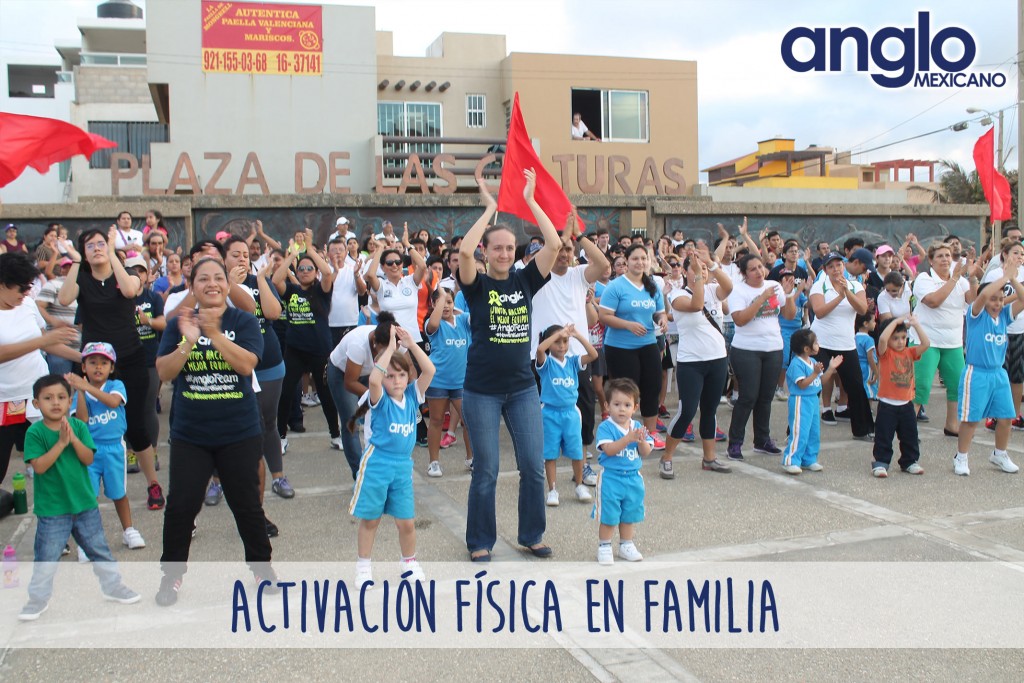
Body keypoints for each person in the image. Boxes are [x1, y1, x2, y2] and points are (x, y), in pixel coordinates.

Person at [154, 257, 275, 606]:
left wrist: (214, 334)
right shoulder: (180, 322)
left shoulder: (243, 320)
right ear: (192, 286)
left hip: (239, 430)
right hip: (192, 433)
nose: (211, 284)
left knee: (247, 504)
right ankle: (172, 577)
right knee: (180, 506)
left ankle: (262, 569)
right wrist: (188, 341)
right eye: (202, 279)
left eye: (218, 278)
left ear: (227, 284)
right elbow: (164, 372)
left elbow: (247, 363)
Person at [459, 171, 560, 562]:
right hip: (481, 390)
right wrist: (489, 208)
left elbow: (553, 243)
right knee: (486, 469)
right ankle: (480, 540)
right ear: (487, 251)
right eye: (496, 248)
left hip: (522, 388)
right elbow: (466, 253)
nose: (503, 253)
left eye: (509, 248)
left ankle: (532, 535)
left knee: (533, 466)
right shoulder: (475, 284)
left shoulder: (525, 281)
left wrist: (531, 199)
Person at [18, 375, 141, 621]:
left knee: (100, 550)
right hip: (53, 509)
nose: (55, 403)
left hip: (85, 504)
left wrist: (72, 439)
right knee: (47, 557)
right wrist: (61, 444)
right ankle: (37, 600)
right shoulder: (35, 432)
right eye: (48, 398)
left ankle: (113, 586)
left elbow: (88, 458)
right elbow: (39, 467)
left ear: (70, 400)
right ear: (35, 403)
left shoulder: (79, 427)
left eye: (61, 397)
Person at [59, 228, 165, 510]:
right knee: (86, 424)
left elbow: (131, 289)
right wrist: (78, 262)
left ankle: (153, 484)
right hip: (93, 363)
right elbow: (64, 299)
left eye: (100, 243)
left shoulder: (124, 277)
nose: (96, 248)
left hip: (129, 359)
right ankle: (84, 488)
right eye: (89, 245)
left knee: (136, 424)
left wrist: (113, 253)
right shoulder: (81, 277)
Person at [348, 325, 435, 587]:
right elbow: (374, 379)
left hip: (402, 467)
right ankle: (363, 566)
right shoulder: (379, 398)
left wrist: (410, 344)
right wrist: (390, 350)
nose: (396, 380)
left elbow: (429, 370)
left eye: (401, 375)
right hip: (377, 464)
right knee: (371, 519)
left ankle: (409, 562)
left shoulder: (412, 395)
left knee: (407, 522)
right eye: (391, 376)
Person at [0, 253, 79, 487]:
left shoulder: (27, 305)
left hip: (37, 396)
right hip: (5, 400)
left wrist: (82, 357)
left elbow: (47, 341)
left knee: (56, 457)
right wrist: (42, 343)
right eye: (21, 288)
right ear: (3, 283)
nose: (26, 293)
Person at [661, 248, 734, 477]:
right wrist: (699, 277)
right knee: (687, 410)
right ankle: (667, 457)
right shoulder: (676, 294)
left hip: (717, 359)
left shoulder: (713, 289)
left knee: (710, 410)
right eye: (694, 269)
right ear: (685, 272)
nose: (700, 272)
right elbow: (695, 304)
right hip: (691, 362)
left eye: (702, 269)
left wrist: (711, 264)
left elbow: (729, 287)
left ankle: (709, 458)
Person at [68, 342, 146, 551]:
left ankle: (128, 530)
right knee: (88, 496)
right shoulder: (79, 393)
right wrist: (82, 392)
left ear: (111, 368)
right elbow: (82, 419)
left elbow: (113, 403)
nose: (98, 367)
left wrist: (87, 387)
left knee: (118, 493)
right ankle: (87, 540)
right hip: (90, 451)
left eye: (104, 363)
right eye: (92, 362)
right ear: (84, 367)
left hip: (114, 448)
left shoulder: (116, 385)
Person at [272, 231, 342, 449]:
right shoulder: (291, 290)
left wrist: (309, 249)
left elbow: (328, 272)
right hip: (294, 350)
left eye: (309, 268)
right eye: (301, 269)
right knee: (285, 393)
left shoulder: (322, 290)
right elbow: (276, 279)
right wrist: (293, 255)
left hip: (319, 350)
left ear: (314, 272)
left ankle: (335, 435)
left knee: (326, 394)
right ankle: (281, 437)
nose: (304, 272)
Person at [953, 263, 1024, 476]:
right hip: (977, 373)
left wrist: (1012, 280)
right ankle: (961, 457)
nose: (997, 303)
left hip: (998, 373)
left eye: (1001, 299)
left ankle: (999, 454)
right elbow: (982, 298)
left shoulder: (1003, 316)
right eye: (994, 299)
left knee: (1005, 417)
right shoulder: (976, 315)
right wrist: (1003, 278)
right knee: (971, 419)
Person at [725, 253, 797, 460]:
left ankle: (762, 440)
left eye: (760, 267)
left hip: (773, 348)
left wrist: (789, 294)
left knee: (766, 397)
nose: (759, 272)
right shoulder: (739, 290)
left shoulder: (774, 285)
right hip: (747, 349)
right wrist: (762, 299)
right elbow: (740, 319)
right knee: (748, 397)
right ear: (744, 273)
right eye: (753, 269)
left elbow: (789, 315)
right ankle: (735, 443)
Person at [598, 243, 668, 450]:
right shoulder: (616, 286)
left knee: (651, 387)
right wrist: (628, 324)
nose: (640, 262)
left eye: (644, 259)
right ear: (626, 261)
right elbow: (604, 316)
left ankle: (649, 433)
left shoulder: (652, 286)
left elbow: (659, 312)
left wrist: (662, 320)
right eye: (635, 258)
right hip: (620, 348)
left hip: (647, 344)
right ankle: (620, 432)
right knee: (624, 391)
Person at [911, 243, 977, 431]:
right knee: (920, 387)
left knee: (957, 386)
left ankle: (951, 426)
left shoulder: (960, 281)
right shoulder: (924, 279)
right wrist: (955, 277)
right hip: (926, 341)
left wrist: (971, 277)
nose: (945, 259)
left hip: (953, 342)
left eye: (948, 255)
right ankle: (908, 430)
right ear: (931, 261)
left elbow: (973, 301)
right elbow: (933, 302)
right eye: (940, 256)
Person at [809, 252, 874, 440]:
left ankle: (863, 429)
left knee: (855, 386)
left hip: (846, 343)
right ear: (825, 270)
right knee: (814, 383)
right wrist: (840, 297)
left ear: (844, 267)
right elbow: (819, 312)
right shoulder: (819, 286)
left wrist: (848, 293)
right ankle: (798, 428)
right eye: (831, 266)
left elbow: (862, 309)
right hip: (820, 343)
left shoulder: (854, 285)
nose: (836, 269)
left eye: (839, 265)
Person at [328, 313, 397, 480]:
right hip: (342, 373)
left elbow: (405, 367)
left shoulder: (392, 341)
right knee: (351, 421)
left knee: (378, 417)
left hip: (369, 374)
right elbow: (350, 382)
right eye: (382, 352)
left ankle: (377, 468)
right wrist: (374, 395)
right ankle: (360, 475)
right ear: (375, 343)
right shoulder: (358, 345)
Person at [536, 323, 598, 506]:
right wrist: (556, 335)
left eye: (565, 341)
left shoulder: (572, 361)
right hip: (550, 414)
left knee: (577, 452)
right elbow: (540, 349)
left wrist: (576, 334)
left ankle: (579, 485)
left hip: (571, 414)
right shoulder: (545, 363)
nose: (562, 345)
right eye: (557, 342)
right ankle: (552, 490)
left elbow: (593, 355)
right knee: (550, 454)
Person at [594, 378, 652, 565]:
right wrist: (628, 439)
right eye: (616, 404)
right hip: (611, 478)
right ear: (607, 405)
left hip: (633, 478)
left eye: (627, 405)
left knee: (629, 513)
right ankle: (604, 546)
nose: (622, 409)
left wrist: (641, 440)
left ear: (635, 407)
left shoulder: (637, 427)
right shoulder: (606, 427)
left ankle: (626, 544)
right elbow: (609, 450)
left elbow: (646, 452)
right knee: (609, 515)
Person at [872, 315, 929, 477]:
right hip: (887, 404)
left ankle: (909, 461)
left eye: (903, 337)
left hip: (906, 404)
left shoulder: (910, 352)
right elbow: (882, 339)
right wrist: (896, 322)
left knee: (910, 435)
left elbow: (926, 344)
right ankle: (881, 462)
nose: (900, 341)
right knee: (884, 435)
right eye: (895, 338)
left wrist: (916, 325)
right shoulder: (885, 353)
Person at [424, 288, 472, 477]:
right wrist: (442, 297)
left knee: (468, 421)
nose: (446, 306)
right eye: (442, 302)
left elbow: (477, 316)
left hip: (461, 382)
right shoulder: (432, 324)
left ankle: (471, 459)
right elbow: (433, 323)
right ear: (434, 305)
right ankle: (433, 462)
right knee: (436, 421)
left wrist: (456, 310)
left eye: (450, 302)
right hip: (438, 381)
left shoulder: (462, 320)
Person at [781, 330, 843, 475]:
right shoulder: (796, 364)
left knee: (813, 431)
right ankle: (791, 459)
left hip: (813, 400)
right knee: (799, 431)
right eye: (815, 342)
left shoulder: (813, 362)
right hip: (800, 400)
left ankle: (809, 459)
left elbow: (820, 381)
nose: (818, 345)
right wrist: (814, 373)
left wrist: (831, 368)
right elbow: (802, 384)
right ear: (806, 348)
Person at [982, 240, 1024, 432]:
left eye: (1022, 254)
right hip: (998, 330)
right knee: (999, 374)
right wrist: (1015, 291)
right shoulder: (994, 275)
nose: (1019, 257)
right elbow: (991, 301)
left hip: (1019, 329)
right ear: (1005, 255)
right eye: (1016, 253)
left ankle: (1014, 414)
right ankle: (994, 415)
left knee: (1017, 375)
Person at [35, 257, 80, 376]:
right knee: (60, 385)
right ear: (61, 270)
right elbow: (38, 305)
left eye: (72, 266)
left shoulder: (82, 284)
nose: (69, 269)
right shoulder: (53, 284)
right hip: (58, 348)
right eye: (66, 266)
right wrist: (52, 321)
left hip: (80, 346)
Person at [855, 314, 879, 400]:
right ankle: (868, 412)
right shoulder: (869, 340)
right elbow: (870, 357)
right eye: (873, 321)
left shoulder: (854, 337)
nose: (875, 323)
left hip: (857, 366)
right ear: (866, 323)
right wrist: (876, 372)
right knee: (868, 390)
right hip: (867, 367)